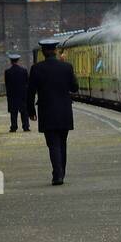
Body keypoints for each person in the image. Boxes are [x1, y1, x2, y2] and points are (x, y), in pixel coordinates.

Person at [25, 38, 78, 185]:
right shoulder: (67, 67)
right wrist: (71, 74)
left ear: (43, 52)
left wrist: (30, 111)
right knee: (62, 143)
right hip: (64, 111)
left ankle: (57, 174)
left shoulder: (36, 68)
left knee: (53, 144)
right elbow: (74, 87)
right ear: (55, 51)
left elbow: (30, 92)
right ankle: (61, 172)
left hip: (46, 111)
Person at [3, 53, 30, 132]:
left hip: (12, 95)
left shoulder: (7, 72)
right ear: (18, 60)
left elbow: (7, 84)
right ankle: (25, 126)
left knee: (13, 112)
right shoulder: (24, 71)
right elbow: (27, 82)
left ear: (11, 61)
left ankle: (14, 127)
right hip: (22, 94)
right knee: (24, 111)